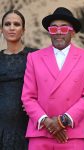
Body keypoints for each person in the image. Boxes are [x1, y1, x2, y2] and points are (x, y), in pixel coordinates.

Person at [21, 7, 84, 150]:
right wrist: (48, 123)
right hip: (41, 132)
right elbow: (28, 97)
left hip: (73, 133)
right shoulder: (34, 58)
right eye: (53, 29)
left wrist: (62, 121)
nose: (58, 33)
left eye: (63, 29)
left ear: (72, 32)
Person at [0, 10, 36, 149]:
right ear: (1, 30)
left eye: (17, 24)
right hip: (2, 123)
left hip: (29, 123)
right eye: (7, 24)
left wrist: (37, 103)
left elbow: (46, 85)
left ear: (23, 30)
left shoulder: (35, 56)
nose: (12, 27)